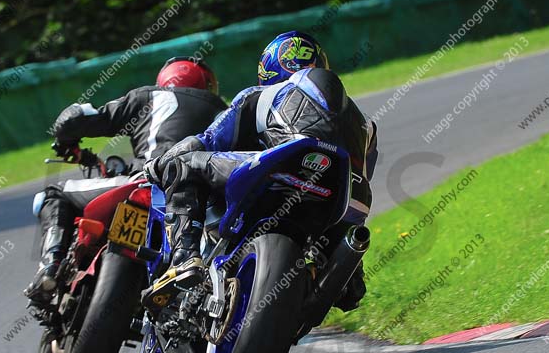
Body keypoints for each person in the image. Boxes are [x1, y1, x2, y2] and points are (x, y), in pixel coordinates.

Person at [142, 31, 377, 312]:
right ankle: (348, 277)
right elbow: (365, 171)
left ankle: (185, 258)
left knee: (186, 164)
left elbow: (206, 140)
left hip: (281, 167)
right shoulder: (364, 122)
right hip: (343, 198)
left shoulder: (260, 94)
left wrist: (160, 163)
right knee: (349, 275)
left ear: (269, 68)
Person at [25, 57, 227, 304]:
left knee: (54, 193)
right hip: (200, 205)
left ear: (165, 80)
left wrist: (65, 140)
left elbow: (75, 118)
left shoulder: (150, 96)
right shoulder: (224, 111)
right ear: (206, 85)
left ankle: (50, 266)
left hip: (146, 181)